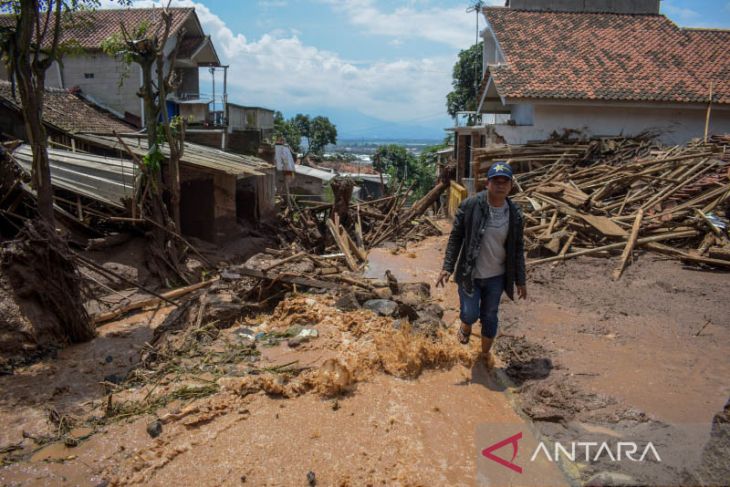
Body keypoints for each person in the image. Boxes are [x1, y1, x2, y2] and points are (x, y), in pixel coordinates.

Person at [436, 162, 527, 368]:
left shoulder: (514, 214)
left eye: (505, 182)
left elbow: (518, 249)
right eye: (496, 181)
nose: (500, 186)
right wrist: (447, 267)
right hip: (470, 274)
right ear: (488, 184)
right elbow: (456, 238)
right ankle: (466, 326)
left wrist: (521, 280)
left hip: (497, 276)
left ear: (511, 186)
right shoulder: (471, 205)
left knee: (490, 316)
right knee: (470, 313)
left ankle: (484, 357)